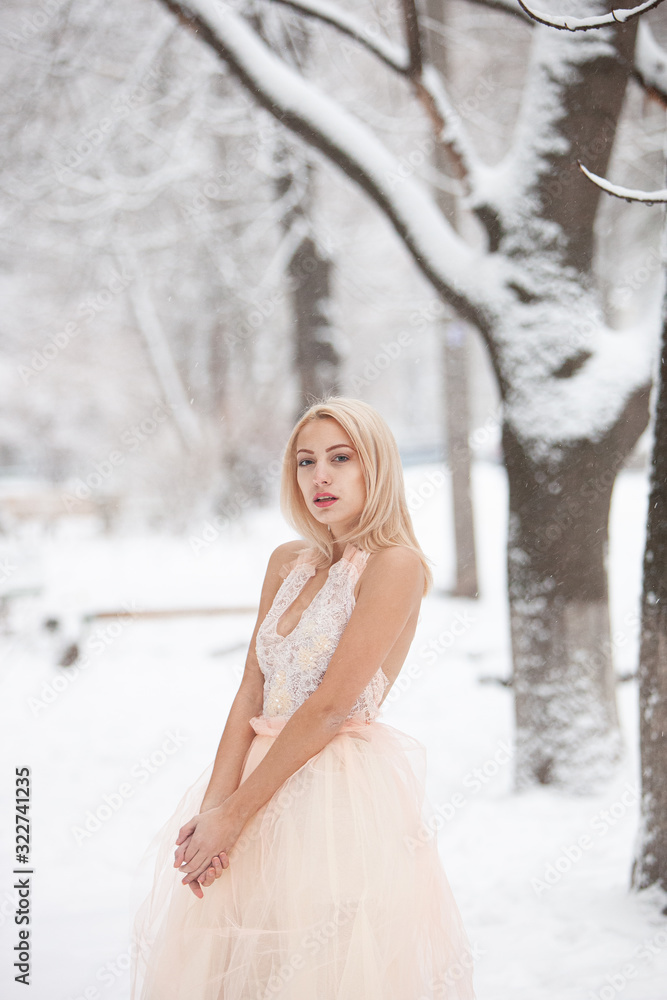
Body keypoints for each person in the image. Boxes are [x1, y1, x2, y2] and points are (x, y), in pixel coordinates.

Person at [130, 396, 477, 1000]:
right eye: (305, 460)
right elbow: (251, 687)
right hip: (254, 777)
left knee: (314, 966)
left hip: (334, 793)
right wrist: (216, 807)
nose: (320, 476)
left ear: (376, 467)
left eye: (341, 459)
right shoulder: (286, 560)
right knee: (236, 965)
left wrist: (235, 817)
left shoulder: (396, 566)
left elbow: (328, 707)